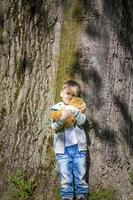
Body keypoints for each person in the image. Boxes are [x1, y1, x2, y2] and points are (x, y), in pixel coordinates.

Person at [50, 80, 89, 200]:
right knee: (66, 177)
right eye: (67, 93)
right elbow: (55, 127)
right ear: (62, 93)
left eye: (73, 95)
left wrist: (75, 111)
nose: (70, 97)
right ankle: (67, 196)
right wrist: (62, 119)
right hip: (62, 150)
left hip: (78, 147)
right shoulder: (56, 108)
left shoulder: (78, 107)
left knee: (80, 175)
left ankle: (82, 195)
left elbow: (82, 121)